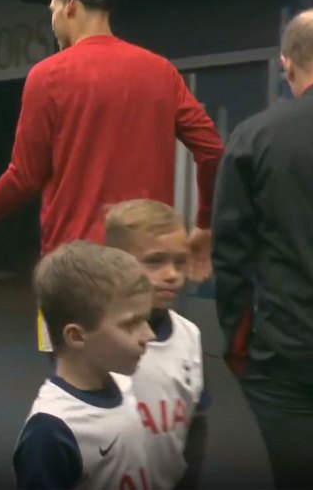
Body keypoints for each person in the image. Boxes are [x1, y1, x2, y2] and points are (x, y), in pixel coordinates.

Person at [0, 0, 224, 352]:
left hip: (74, 269)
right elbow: (213, 151)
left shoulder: (48, 75)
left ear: (71, 5)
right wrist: (202, 226)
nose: (52, 23)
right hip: (143, 267)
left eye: (51, 11)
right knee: (143, 388)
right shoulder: (161, 72)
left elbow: (24, 177)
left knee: (77, 394)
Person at [212, 8, 313, 489]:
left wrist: (238, 349)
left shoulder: (253, 137)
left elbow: (230, 256)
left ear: (287, 66)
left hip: (293, 365)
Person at [13, 241, 154, 489]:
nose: (149, 335)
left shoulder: (124, 385)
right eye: (131, 324)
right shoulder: (51, 431)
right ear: (77, 336)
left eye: (146, 320)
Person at [104, 200, 208, 489]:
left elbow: (196, 422)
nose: (172, 274)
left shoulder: (190, 336)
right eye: (154, 261)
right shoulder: (95, 339)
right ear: (115, 262)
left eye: (179, 262)